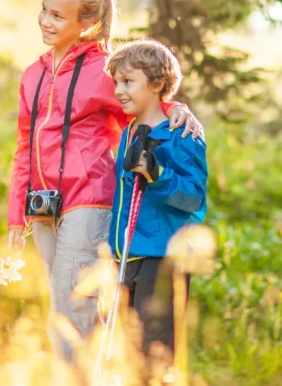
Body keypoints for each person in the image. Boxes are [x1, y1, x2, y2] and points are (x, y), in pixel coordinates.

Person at [5, 0, 202, 362]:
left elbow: (142, 104)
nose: (47, 21)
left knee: (74, 304)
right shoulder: (33, 75)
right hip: (43, 206)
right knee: (61, 303)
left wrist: (175, 107)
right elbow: (24, 146)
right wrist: (16, 215)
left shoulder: (102, 70)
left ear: (86, 24)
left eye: (59, 16)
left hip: (89, 199)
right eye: (45, 11)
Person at [104, 39, 208, 380]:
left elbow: (194, 198)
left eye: (128, 81)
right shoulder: (130, 132)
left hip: (162, 257)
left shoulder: (182, 134)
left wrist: (158, 175)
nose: (119, 90)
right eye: (116, 82)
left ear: (157, 84)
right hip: (127, 255)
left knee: (156, 354)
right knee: (126, 350)